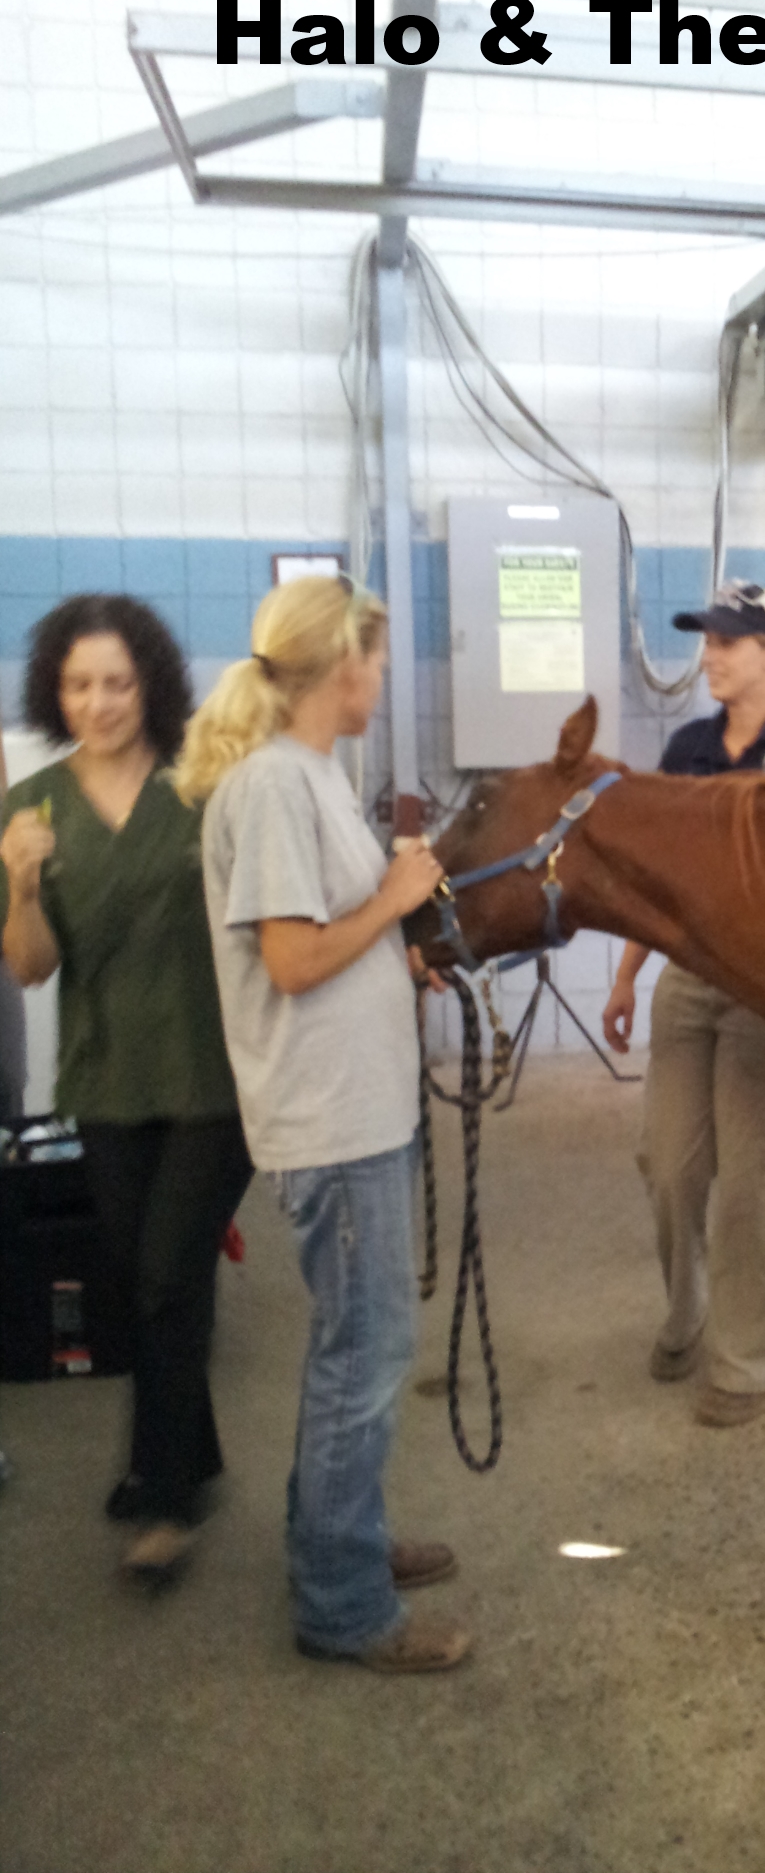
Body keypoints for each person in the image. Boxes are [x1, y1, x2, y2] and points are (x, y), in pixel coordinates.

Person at [176, 575, 468, 1675]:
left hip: (360, 1111)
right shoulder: (271, 789)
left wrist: (397, 959)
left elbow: (318, 940)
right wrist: (393, 902)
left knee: (359, 1344)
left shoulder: (313, 779)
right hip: (331, 1125)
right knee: (367, 1350)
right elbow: (293, 961)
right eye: (377, 659)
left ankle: (335, 1536)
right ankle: (341, 1603)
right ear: (341, 663)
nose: (383, 678)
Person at [0, 594, 253, 1578]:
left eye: (115, 680)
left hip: (209, 1075)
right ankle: (190, 1447)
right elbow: (28, 967)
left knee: (162, 1274)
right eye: (77, 683)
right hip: (105, 1078)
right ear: (52, 692)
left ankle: (163, 1493)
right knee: (150, 1278)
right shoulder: (32, 806)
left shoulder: (205, 784)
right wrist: (20, 885)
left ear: (149, 680)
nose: (98, 701)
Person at [603, 581, 765, 1427]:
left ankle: (756, 1362)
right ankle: (689, 1313)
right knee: (670, 1168)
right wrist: (629, 974)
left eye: (727, 641)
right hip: (687, 981)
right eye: (705, 639)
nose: (709, 654)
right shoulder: (686, 751)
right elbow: (660, 886)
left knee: (754, 1183)